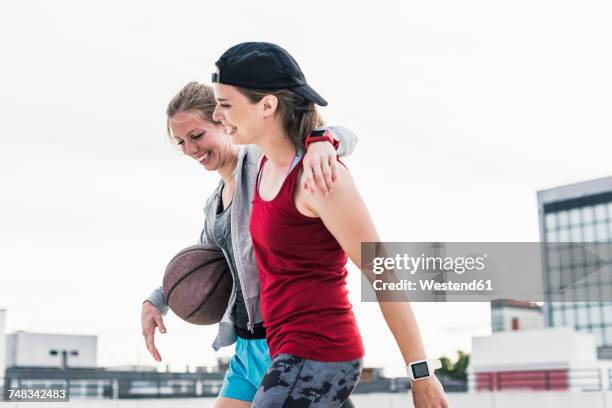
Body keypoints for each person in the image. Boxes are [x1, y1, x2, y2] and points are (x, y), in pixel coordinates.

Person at [211, 42, 450, 408]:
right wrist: (325, 137)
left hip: (321, 352)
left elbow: (382, 271)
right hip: (286, 351)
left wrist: (421, 373)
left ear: (268, 105)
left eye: (226, 104)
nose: (217, 114)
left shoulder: (321, 179)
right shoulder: (260, 166)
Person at [141, 82, 359, 408]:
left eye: (197, 135)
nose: (190, 149)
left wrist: (323, 141)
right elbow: (200, 260)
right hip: (247, 347)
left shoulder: (261, 163)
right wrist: (156, 301)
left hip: (289, 340)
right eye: (181, 142)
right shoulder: (213, 203)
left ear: (223, 123)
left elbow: (345, 135)